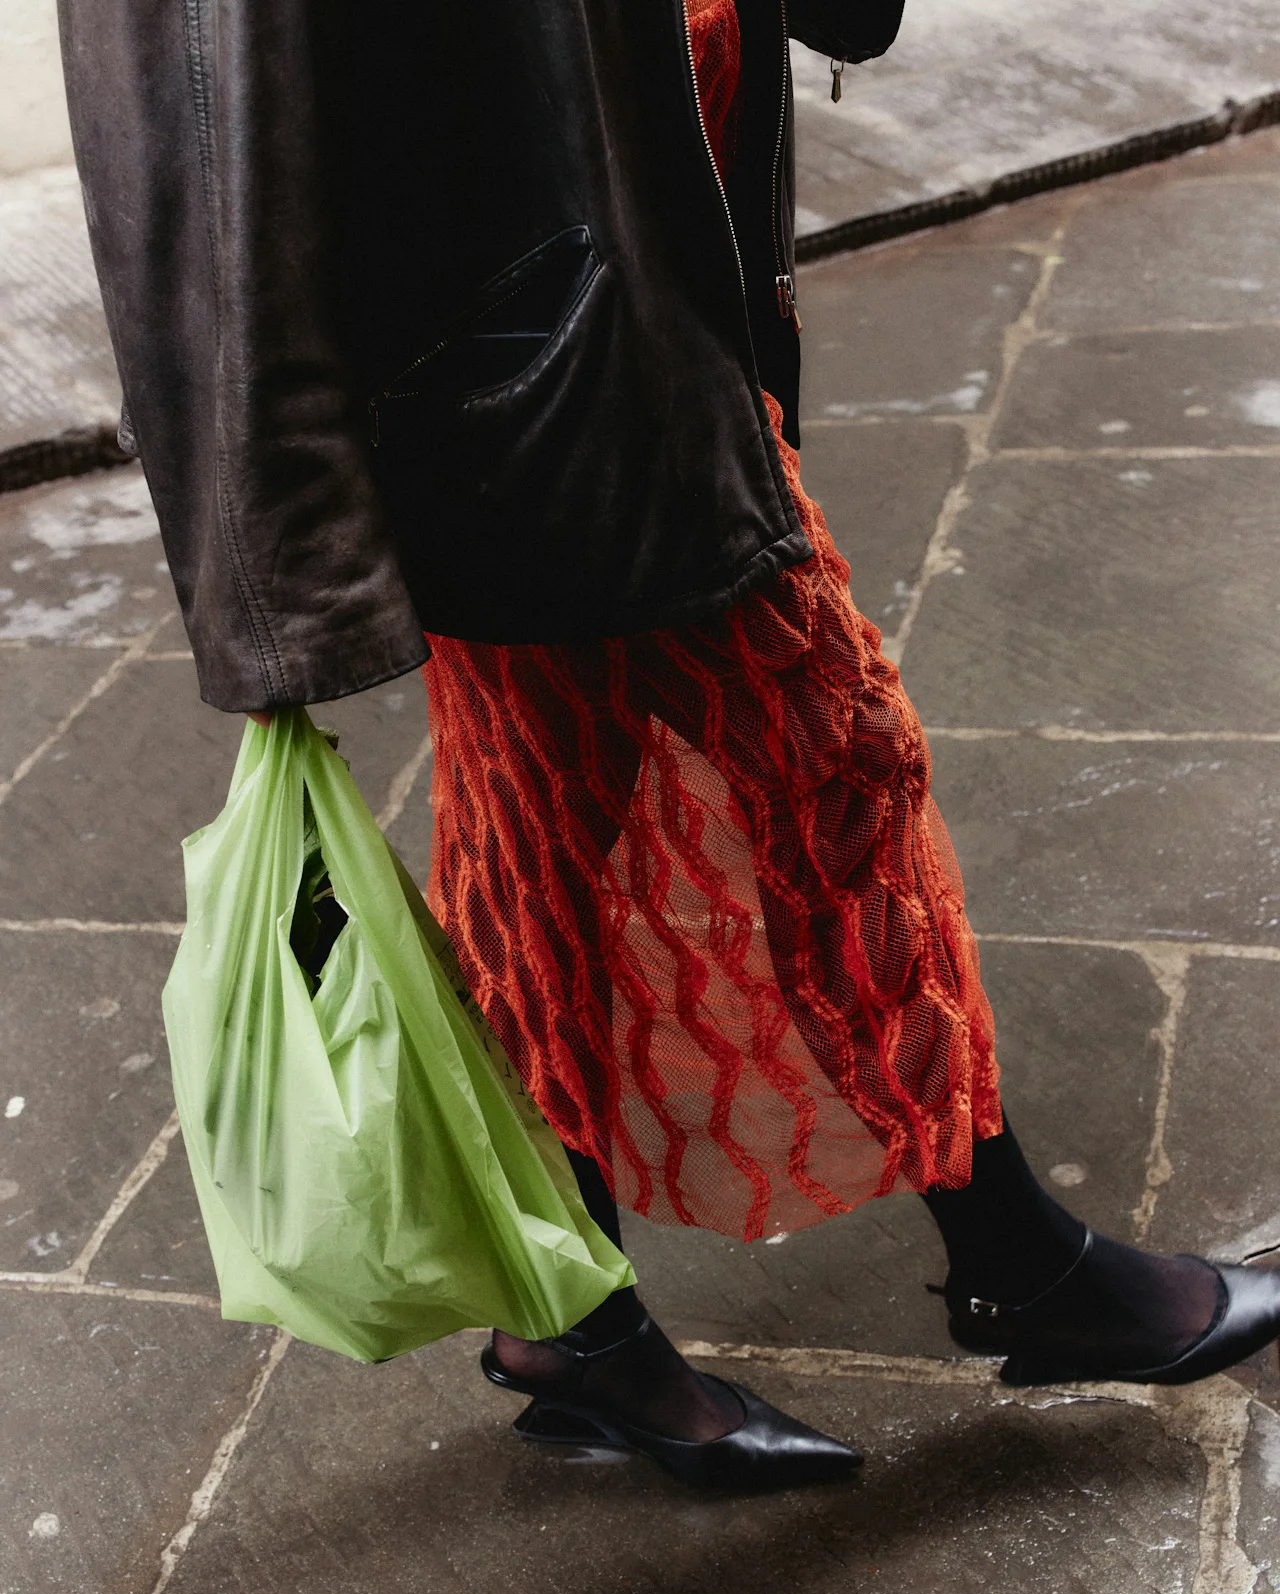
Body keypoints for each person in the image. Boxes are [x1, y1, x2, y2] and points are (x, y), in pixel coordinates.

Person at [61, 0, 1280, 1494]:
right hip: (519, 343)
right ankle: (1016, 1256)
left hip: (631, 281)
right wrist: (269, 561)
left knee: (551, 834)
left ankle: (577, 1321)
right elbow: (186, 108)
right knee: (831, 752)